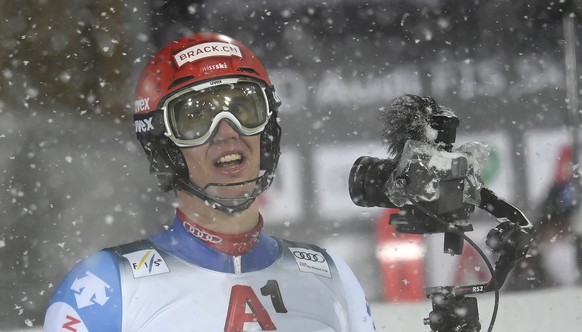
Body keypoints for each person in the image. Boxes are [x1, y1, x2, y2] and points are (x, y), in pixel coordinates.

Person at [43, 32, 376, 331]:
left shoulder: (333, 277)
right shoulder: (105, 286)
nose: (227, 132)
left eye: (244, 108)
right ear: (163, 146)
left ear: (269, 130)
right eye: (195, 117)